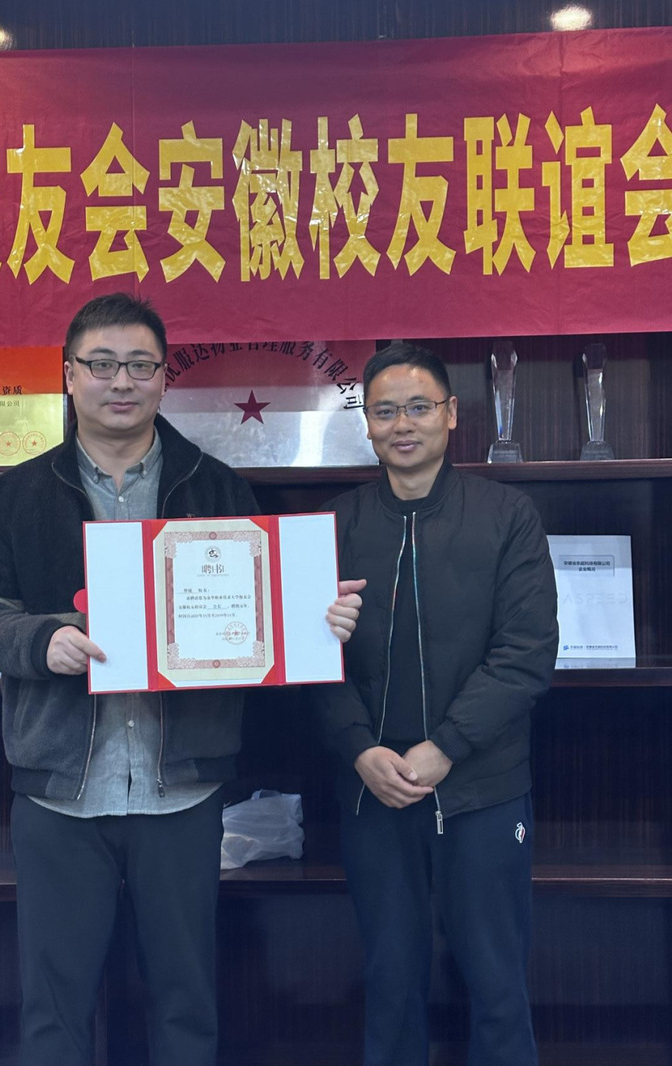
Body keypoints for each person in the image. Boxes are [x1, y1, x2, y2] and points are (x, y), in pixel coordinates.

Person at [0, 292, 362, 1066]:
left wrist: (315, 621)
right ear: (68, 375)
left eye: (140, 365)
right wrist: (44, 641)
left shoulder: (215, 487)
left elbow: (259, 617)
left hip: (182, 792)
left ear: (163, 377)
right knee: (53, 1011)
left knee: (186, 1003)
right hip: (59, 794)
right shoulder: (15, 494)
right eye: (102, 364)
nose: (122, 382)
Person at [314, 342, 558, 1066]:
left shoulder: (506, 515)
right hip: (374, 791)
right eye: (385, 411)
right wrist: (359, 749)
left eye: (418, 407)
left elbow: (525, 654)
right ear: (367, 424)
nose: (402, 424)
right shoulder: (334, 525)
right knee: (390, 983)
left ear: (451, 414)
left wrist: (446, 745)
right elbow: (309, 662)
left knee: (497, 983)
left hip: (482, 788)